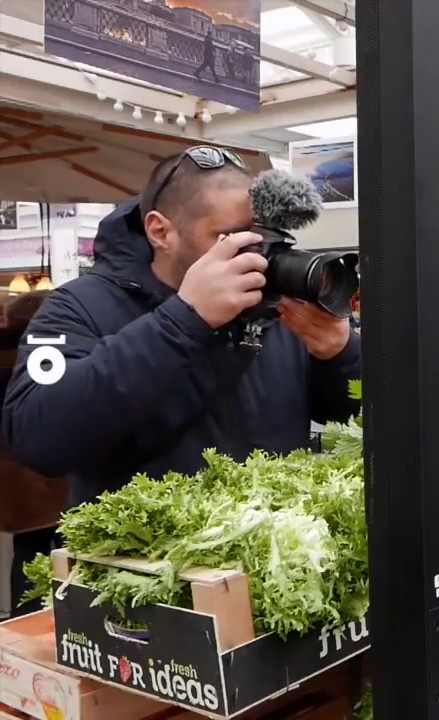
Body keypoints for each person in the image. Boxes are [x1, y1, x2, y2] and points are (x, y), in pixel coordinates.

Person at [2, 147, 362, 515]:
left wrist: (342, 354)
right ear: (161, 232)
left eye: (264, 236)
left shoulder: (278, 303)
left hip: (276, 553)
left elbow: (351, 421)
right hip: (149, 561)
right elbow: (37, 439)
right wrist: (184, 320)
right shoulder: (76, 306)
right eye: (232, 238)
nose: (257, 254)